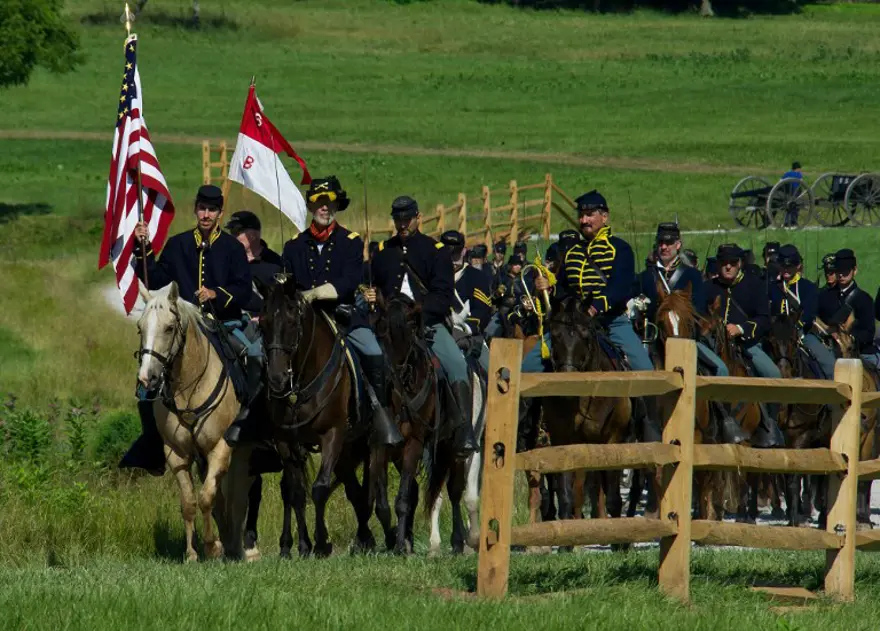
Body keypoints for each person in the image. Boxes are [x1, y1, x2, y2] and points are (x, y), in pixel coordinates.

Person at [121, 184, 253, 473]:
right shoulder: (178, 244)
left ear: (220, 213)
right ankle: (153, 442)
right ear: (195, 209)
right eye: (202, 209)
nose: (206, 215)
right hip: (182, 329)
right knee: (148, 377)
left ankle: (254, 430)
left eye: (212, 210)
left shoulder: (232, 248)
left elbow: (244, 290)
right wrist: (143, 248)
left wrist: (217, 294)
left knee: (255, 357)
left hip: (224, 325)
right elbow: (156, 279)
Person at [281, 176, 402, 447]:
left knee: (374, 352)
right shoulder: (293, 246)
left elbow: (350, 280)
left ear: (337, 206)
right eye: (319, 202)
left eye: (330, 202)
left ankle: (380, 414)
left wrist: (318, 292)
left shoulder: (351, 241)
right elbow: (287, 285)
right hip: (303, 319)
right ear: (311, 207)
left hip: (342, 315)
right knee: (269, 351)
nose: (325, 207)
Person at [528, 190, 660, 437]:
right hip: (573, 325)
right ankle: (528, 428)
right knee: (526, 368)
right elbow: (564, 290)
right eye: (581, 215)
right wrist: (549, 288)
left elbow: (621, 286)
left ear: (604, 217)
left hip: (611, 322)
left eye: (589, 215)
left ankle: (649, 430)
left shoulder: (619, 249)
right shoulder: (572, 252)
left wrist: (595, 307)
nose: (584, 220)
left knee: (646, 372)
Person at [368, 196, 478, 455]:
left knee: (456, 363)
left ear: (418, 218)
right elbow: (371, 284)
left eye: (407, 219)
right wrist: (371, 295)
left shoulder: (436, 250)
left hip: (427, 324)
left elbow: (442, 295)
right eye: (398, 219)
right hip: (388, 326)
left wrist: (418, 312)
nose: (402, 224)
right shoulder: (383, 251)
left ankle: (464, 429)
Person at [637, 223, 745, 443]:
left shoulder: (691, 275)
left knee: (721, 369)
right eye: (661, 243)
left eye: (669, 243)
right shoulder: (647, 276)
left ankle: (724, 420)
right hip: (655, 340)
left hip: (687, 339)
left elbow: (699, 308)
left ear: (678, 245)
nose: (664, 247)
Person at [704, 244, 784, 447]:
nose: (728, 267)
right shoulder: (708, 287)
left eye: (732, 263)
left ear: (739, 263)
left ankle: (770, 424)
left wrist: (740, 328)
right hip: (714, 345)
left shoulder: (754, 285)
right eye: (724, 263)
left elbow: (764, 319)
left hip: (746, 344)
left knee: (773, 374)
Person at [769, 245, 835, 380]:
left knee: (829, 365)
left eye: (790, 266)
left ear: (798, 266)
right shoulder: (772, 288)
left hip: (802, 334)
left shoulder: (808, 287)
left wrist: (797, 327)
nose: (786, 269)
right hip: (776, 337)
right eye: (783, 266)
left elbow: (809, 313)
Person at [818, 249, 879, 370]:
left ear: (854, 270)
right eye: (838, 270)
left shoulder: (864, 299)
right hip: (830, 351)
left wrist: (850, 339)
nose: (841, 275)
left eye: (845, 271)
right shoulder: (824, 296)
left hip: (860, 352)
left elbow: (868, 332)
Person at [441, 230, 492, 372]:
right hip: (440, 331)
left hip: (468, 333)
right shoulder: (432, 275)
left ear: (463, 251)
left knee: (495, 375)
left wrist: (466, 328)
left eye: (455, 255)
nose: (451, 259)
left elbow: (483, 310)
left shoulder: (476, 277)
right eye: (447, 255)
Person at [225, 210, 283, 317]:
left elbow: (282, 303)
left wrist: (262, 318)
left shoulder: (274, 263)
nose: (232, 236)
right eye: (231, 232)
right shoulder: (225, 260)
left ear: (252, 235)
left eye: (237, 232)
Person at [780, 162, 804, 227]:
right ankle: (794, 221)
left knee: (787, 208)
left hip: (786, 193)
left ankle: (786, 221)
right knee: (796, 206)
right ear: (798, 168)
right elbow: (802, 184)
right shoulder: (799, 174)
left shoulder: (786, 174)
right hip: (795, 193)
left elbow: (780, 182)